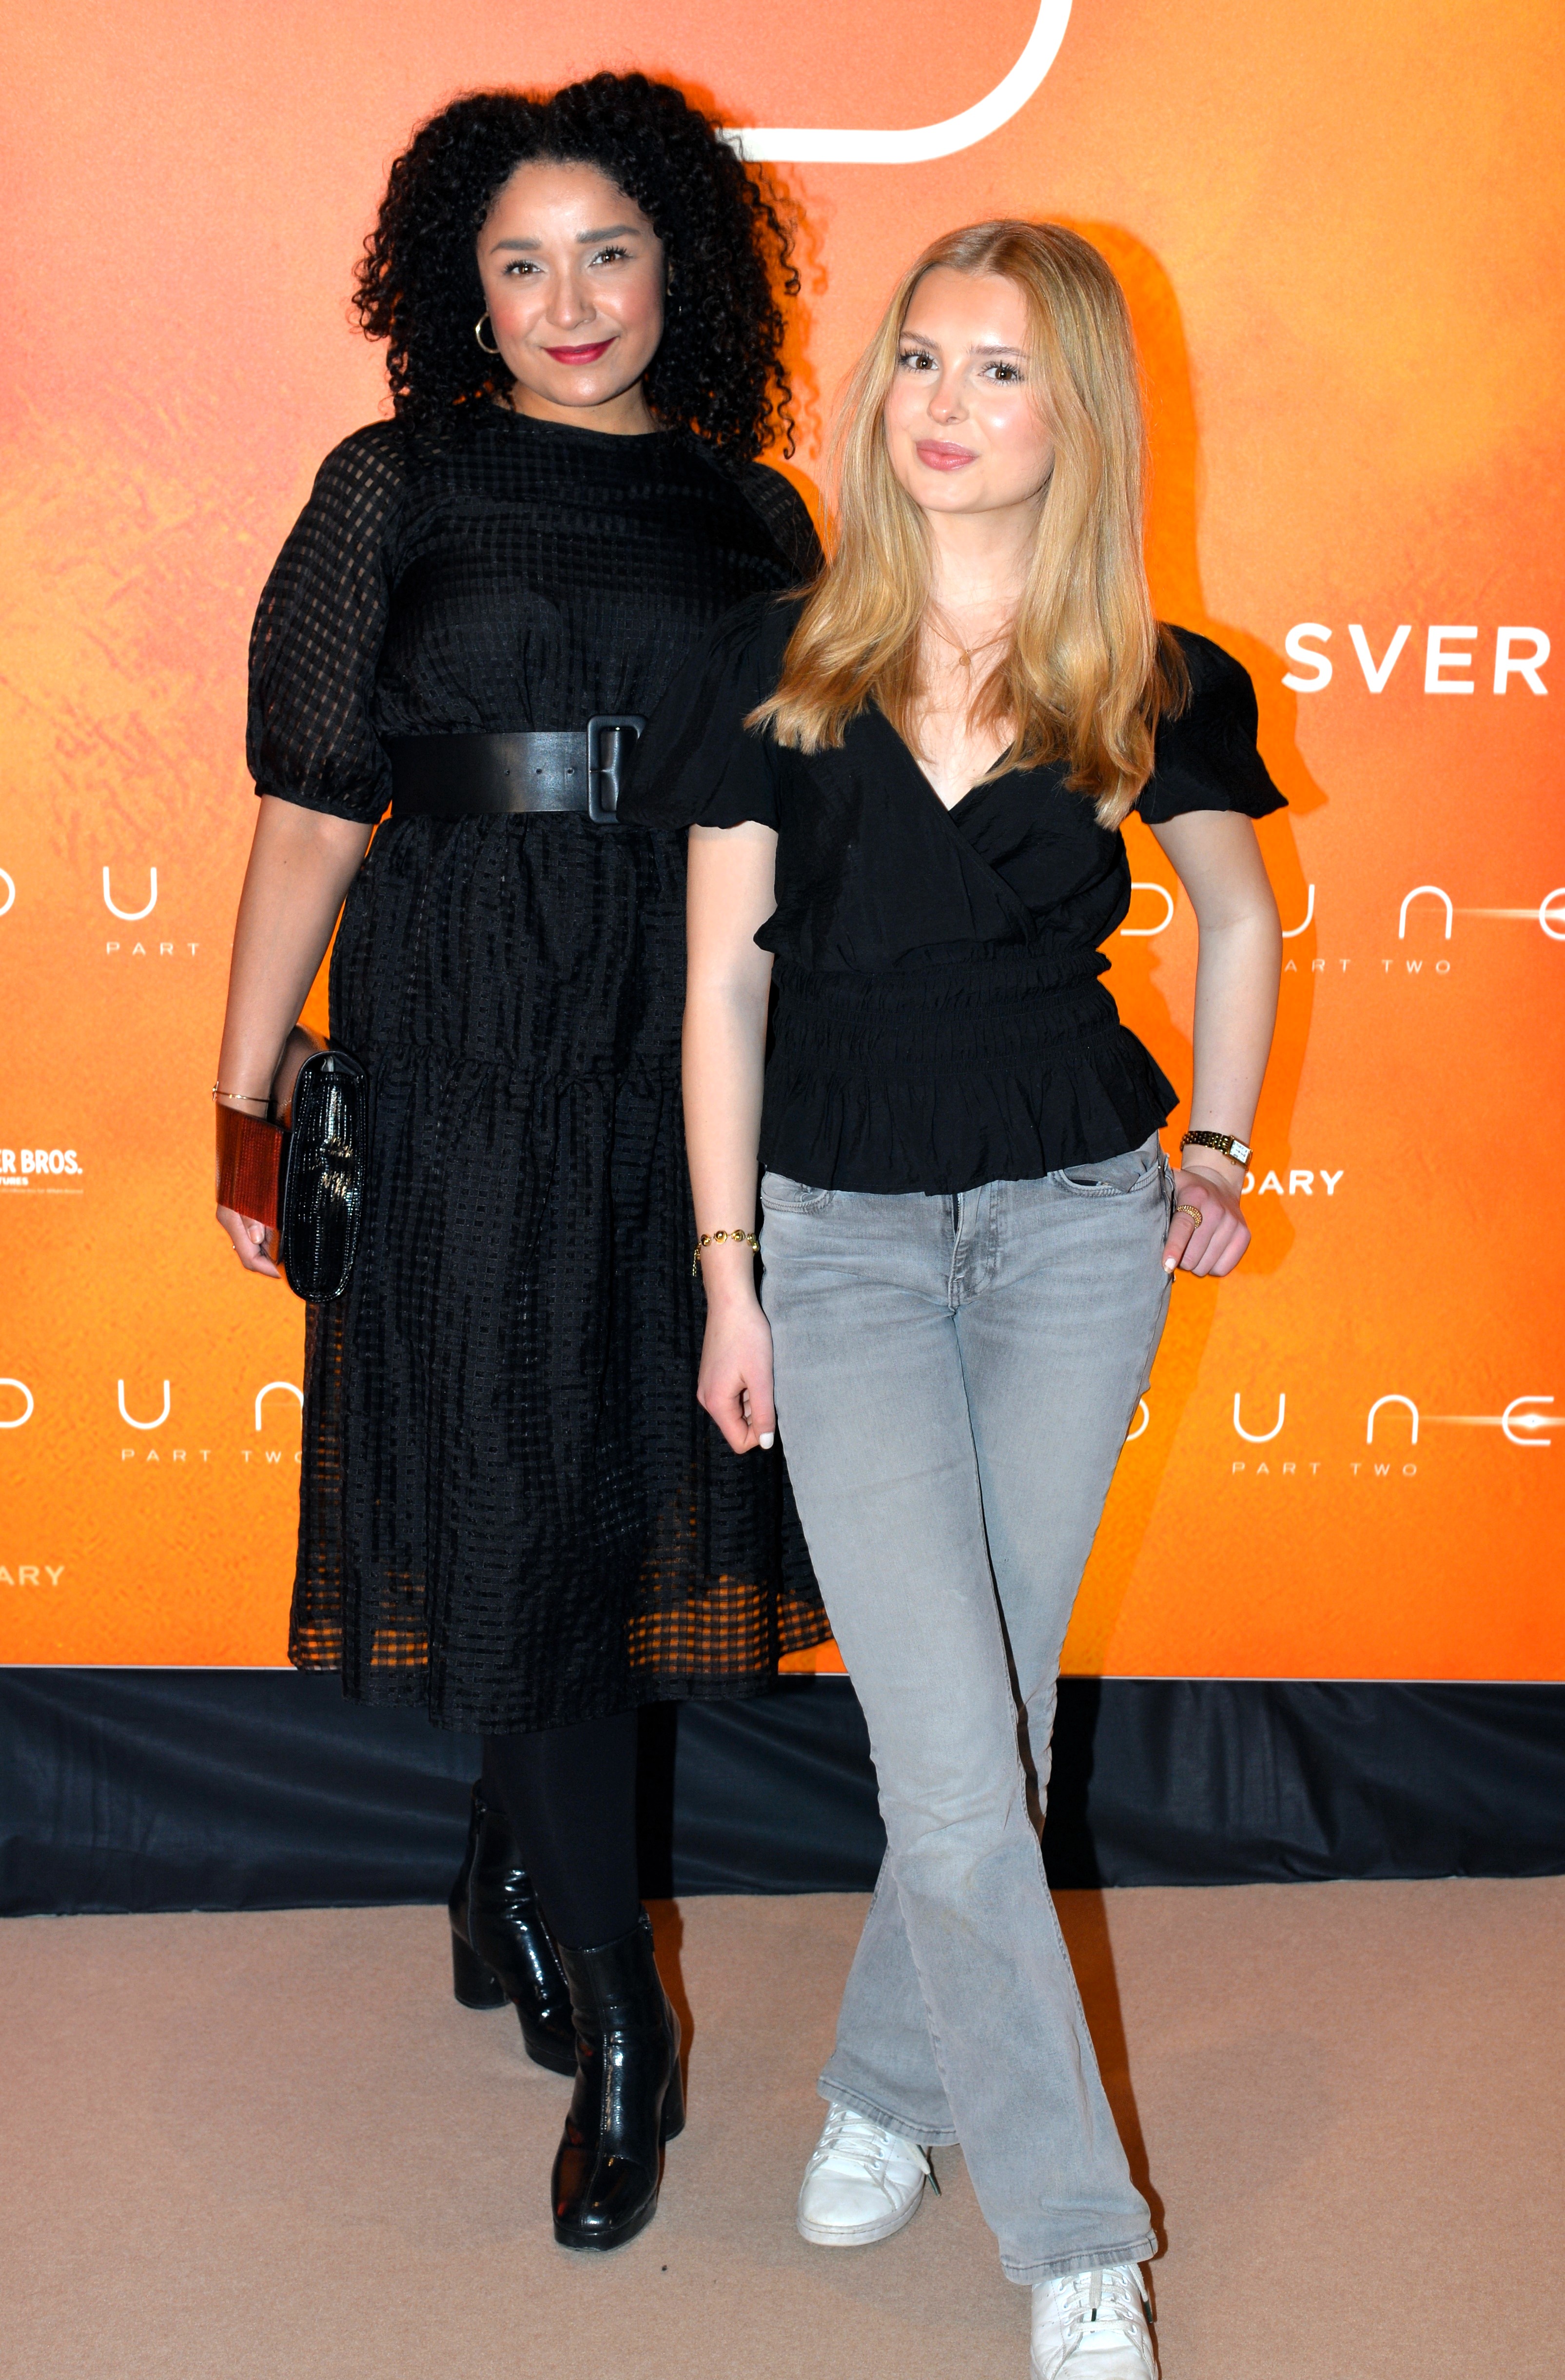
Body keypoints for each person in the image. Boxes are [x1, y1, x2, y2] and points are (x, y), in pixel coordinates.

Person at [623, 220, 1283, 2372]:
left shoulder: (1147, 675)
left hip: (1076, 1225)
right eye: (919, 357)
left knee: (985, 1727)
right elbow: (719, 995)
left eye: (999, 370)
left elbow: (1240, 919)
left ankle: (887, 2084)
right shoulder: (775, 658)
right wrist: (726, 1276)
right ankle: (1074, 2234)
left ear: (1073, 416)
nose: (944, 404)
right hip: (837, 1243)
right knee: (947, 1742)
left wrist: (1215, 1148)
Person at [212, 75, 828, 2253]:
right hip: (464, 1030)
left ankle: (508, 1864)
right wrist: (246, 1098)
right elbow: (312, 806)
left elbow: (804, 818)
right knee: (506, 1465)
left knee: (609, 1478)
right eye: (520, 262)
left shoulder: (756, 517)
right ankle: (626, 2020)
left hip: (686, 1048)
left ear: (680, 268)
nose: (570, 302)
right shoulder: (398, 483)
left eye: (610, 252)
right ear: (459, 293)